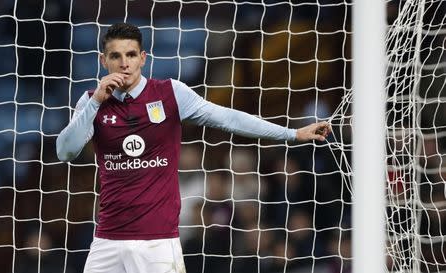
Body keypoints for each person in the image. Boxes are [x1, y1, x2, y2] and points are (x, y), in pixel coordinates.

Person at [56, 22, 331, 273]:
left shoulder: (169, 93)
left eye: (130, 55)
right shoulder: (91, 101)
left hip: (158, 243)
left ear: (142, 58)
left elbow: (227, 118)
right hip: (108, 240)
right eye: (116, 56)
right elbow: (65, 152)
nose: (124, 63)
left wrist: (292, 133)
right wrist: (94, 105)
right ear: (104, 61)